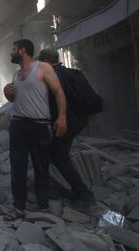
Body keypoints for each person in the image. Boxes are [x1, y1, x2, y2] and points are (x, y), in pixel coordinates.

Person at [3, 39, 67, 218]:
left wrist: (62, 117)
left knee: (41, 167)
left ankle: (43, 207)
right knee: (17, 167)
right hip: (17, 125)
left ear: (22, 51)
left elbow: (58, 92)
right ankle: (19, 207)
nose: (11, 52)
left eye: (13, 49)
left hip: (39, 125)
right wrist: (7, 94)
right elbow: (16, 99)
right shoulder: (16, 75)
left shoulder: (43, 68)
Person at [38, 49, 95, 204]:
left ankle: (84, 194)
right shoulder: (71, 72)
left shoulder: (52, 76)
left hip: (65, 122)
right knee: (58, 154)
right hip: (79, 120)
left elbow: (52, 104)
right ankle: (74, 189)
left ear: (46, 61)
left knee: (59, 157)